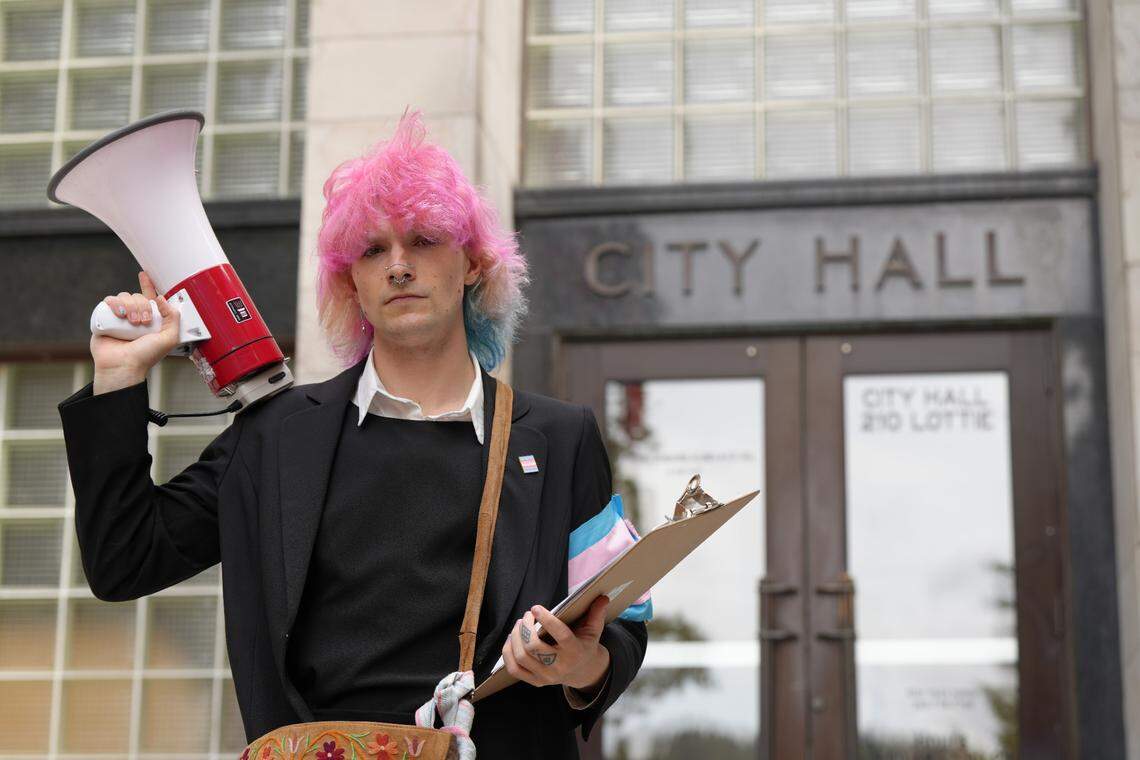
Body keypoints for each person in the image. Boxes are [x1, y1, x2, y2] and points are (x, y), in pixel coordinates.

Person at [57, 109, 648, 759]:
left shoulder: (561, 440)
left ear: (474, 263)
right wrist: (117, 379)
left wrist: (580, 665)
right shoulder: (276, 437)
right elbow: (124, 560)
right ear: (350, 281)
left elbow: (617, 624)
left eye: (424, 240)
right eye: (372, 250)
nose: (398, 266)